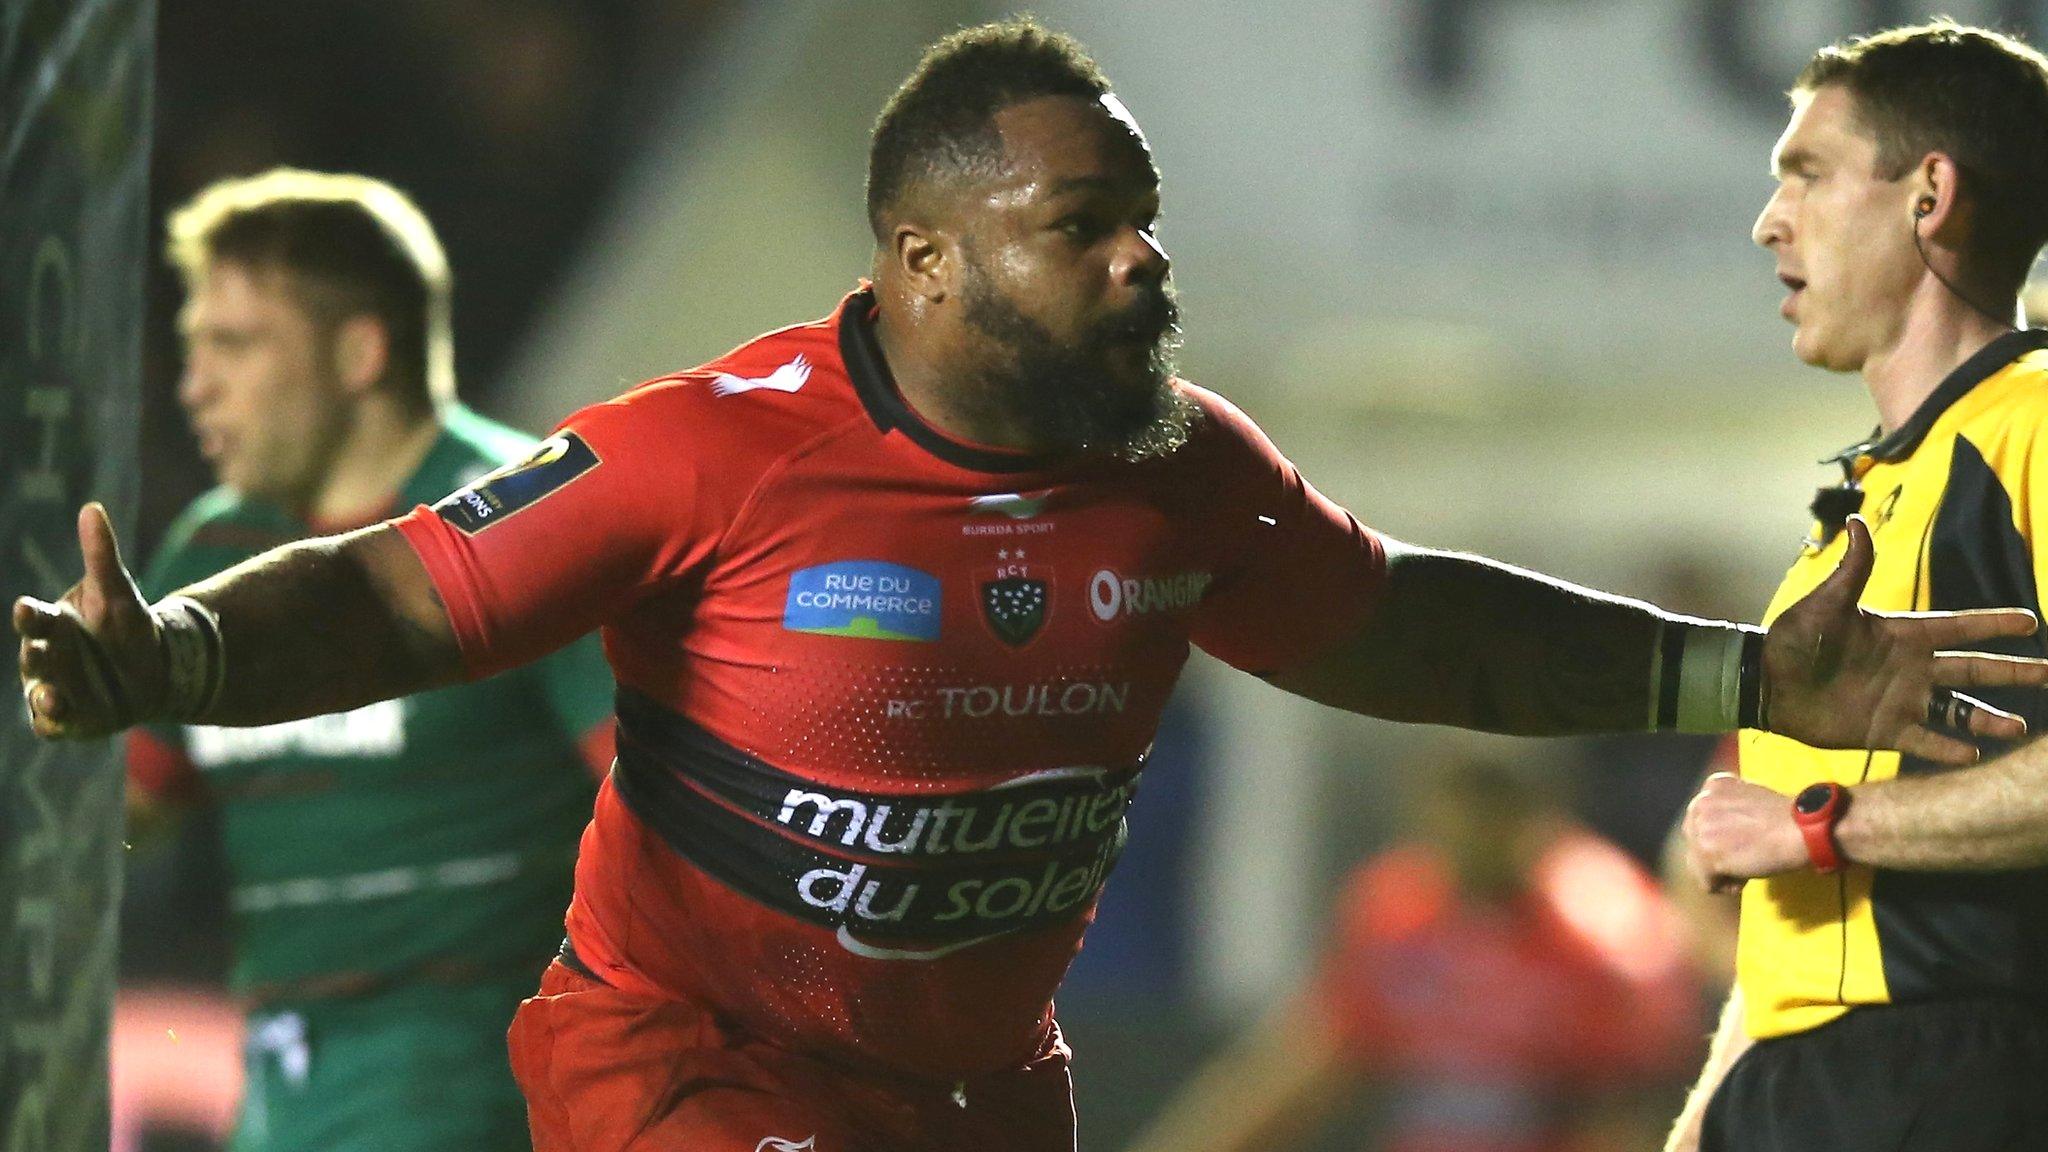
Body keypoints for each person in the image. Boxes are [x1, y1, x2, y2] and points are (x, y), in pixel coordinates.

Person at [17, 22, 2048, 1152]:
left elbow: (1409, 623)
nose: (1143, 268)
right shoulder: (712, 448)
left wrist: (1734, 676)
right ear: (924, 260)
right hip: (692, 1072)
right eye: (1084, 229)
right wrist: (178, 650)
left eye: (1143, 227)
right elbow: (393, 598)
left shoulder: (1177, 471)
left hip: (983, 1095)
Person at [129, 169, 616, 1152]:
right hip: (278, 1091)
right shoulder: (211, 553)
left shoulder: (526, 522)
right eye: (191, 348)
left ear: (357, 352)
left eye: (234, 343)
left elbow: (665, 800)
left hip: (477, 1085)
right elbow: (123, 813)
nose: (195, 385)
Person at [1665, 20, 2048, 1152]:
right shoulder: (1859, 516)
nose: (1765, 221)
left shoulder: (2030, 426)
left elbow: (1803, 840)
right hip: (1797, 1090)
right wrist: (1703, 1125)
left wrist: (1822, 824)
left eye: (1805, 173)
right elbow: (1788, 932)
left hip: (1951, 1076)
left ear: (1927, 194)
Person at [1124, 757, 1701, 1152]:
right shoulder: (1399, 912)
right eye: (1458, 809)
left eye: (1492, 810)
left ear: (1538, 813)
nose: (1471, 834)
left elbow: (1640, 1108)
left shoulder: (1610, 927)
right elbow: (1312, 1064)